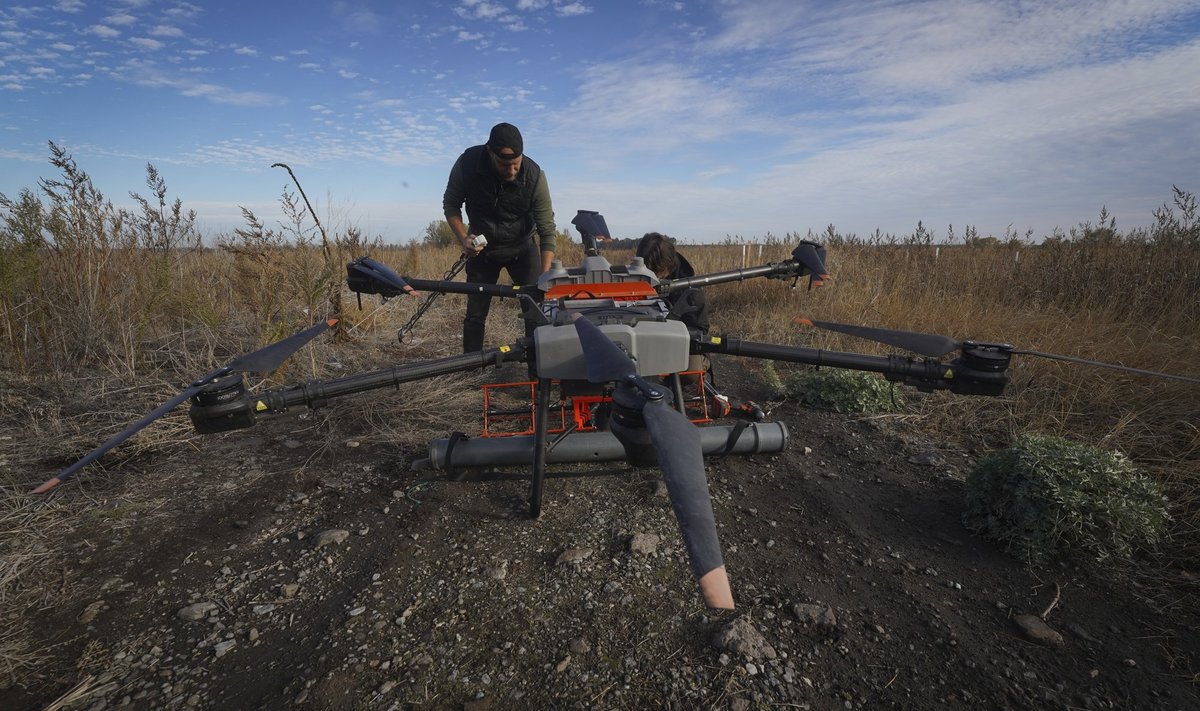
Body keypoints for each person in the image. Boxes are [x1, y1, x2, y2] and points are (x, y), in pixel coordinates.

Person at [442, 122, 558, 353]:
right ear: (490, 152)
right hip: (483, 252)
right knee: (475, 313)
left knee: (535, 310)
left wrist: (544, 278)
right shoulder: (467, 164)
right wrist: (464, 239)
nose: (512, 171)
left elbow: (548, 231)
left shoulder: (535, 176)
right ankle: (471, 369)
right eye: (505, 165)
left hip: (522, 249)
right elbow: (451, 204)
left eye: (516, 164)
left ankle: (537, 370)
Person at [636, 232, 763, 420]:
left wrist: (669, 328)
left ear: (667, 267)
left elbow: (701, 331)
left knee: (689, 374)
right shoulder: (636, 275)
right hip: (644, 335)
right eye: (647, 271)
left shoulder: (691, 289)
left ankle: (693, 373)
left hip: (681, 341)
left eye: (655, 272)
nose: (651, 277)